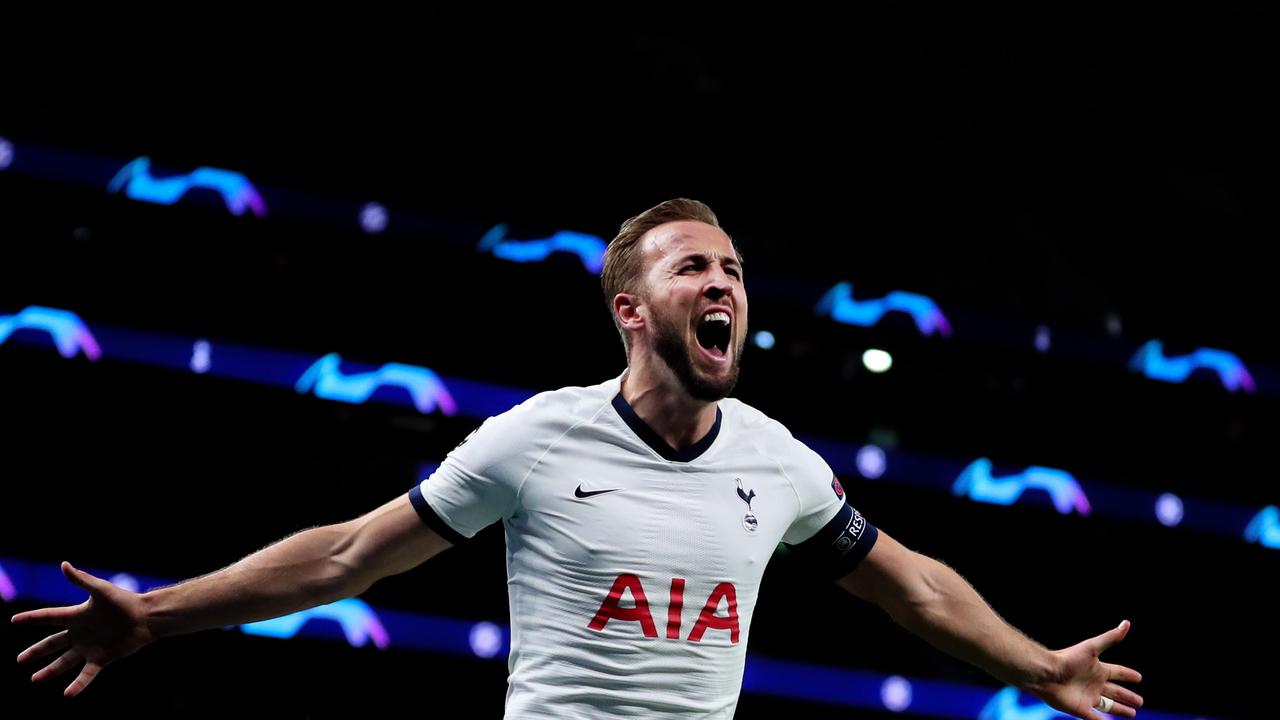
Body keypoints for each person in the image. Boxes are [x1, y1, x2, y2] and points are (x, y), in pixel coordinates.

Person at [12, 199, 1143, 719]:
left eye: (735, 272)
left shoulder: (776, 460)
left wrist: (1038, 667)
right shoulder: (535, 437)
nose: (724, 286)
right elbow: (347, 556)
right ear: (630, 311)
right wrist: (158, 615)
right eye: (693, 268)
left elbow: (912, 583)